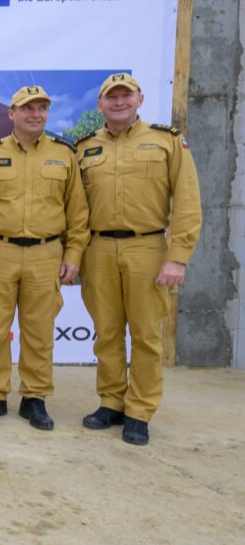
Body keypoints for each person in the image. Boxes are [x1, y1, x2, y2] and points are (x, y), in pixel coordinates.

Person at [75, 73, 202, 446]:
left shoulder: (167, 141)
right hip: (97, 250)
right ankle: (111, 401)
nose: (118, 102)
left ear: (140, 99)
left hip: (147, 248)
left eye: (125, 96)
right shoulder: (83, 149)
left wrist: (177, 256)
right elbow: (76, 208)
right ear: (99, 105)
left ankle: (139, 411)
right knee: (107, 332)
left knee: (146, 335)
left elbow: (188, 201)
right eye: (110, 97)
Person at [0, 86, 89, 431]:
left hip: (46, 254)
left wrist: (74, 254)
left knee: (39, 331)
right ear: (12, 114)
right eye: (27, 108)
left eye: (42, 108)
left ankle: (34, 398)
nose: (35, 114)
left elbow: (77, 214)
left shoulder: (64, 155)